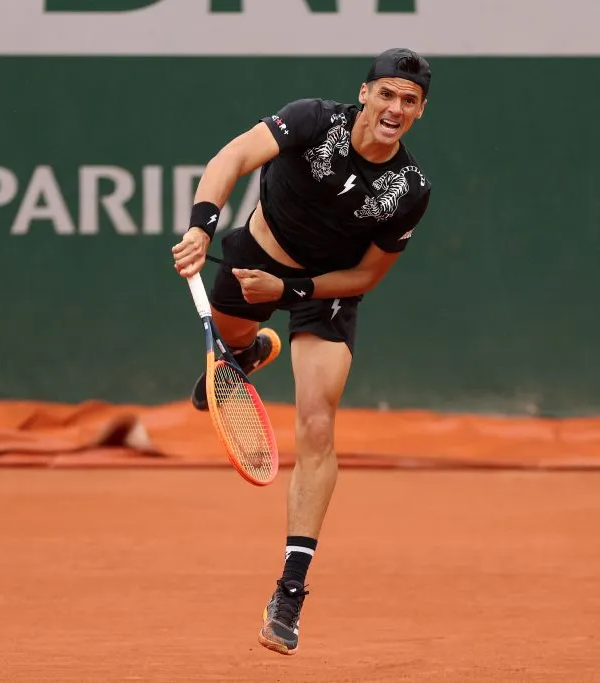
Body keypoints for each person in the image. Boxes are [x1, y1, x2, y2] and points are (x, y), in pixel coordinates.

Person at [171, 47, 433, 656]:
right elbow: (232, 157)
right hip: (253, 259)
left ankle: (290, 591)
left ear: (421, 113)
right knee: (233, 340)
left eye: (410, 101)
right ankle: (246, 351)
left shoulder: (408, 191)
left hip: (324, 293)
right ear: (364, 93)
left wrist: (293, 290)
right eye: (388, 93)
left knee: (317, 424)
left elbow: (366, 275)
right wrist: (199, 228)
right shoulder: (313, 119)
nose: (396, 108)